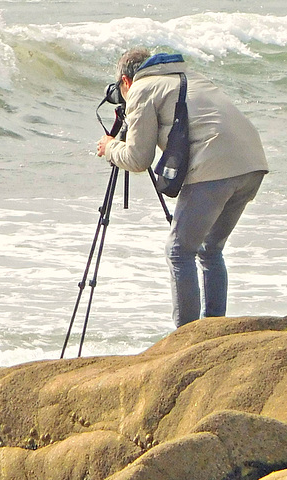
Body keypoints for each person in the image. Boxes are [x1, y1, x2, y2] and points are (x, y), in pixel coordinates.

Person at [97, 47, 268, 328]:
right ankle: (214, 328)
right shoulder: (192, 76)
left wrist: (110, 146)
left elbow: (138, 159)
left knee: (179, 251)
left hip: (215, 168)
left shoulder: (141, 88)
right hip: (252, 164)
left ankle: (186, 338)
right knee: (210, 248)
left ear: (126, 82)